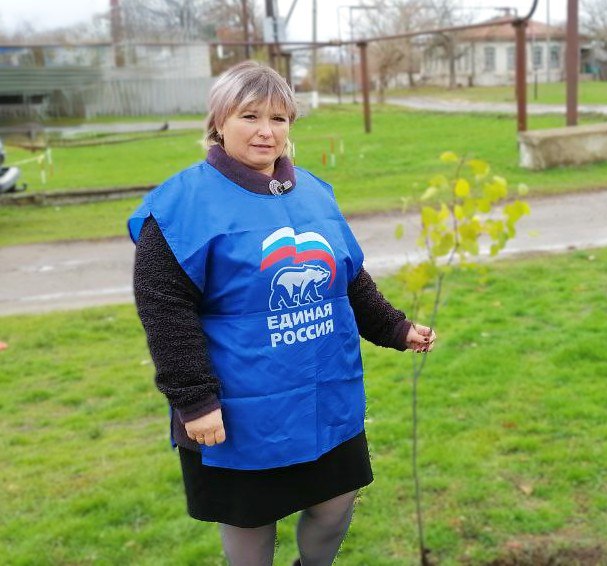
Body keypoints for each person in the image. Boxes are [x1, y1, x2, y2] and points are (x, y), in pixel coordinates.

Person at [129, 60, 436, 566]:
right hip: (239, 406)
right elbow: (165, 309)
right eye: (250, 116)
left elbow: (347, 276)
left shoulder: (314, 192)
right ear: (219, 121)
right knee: (252, 527)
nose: (266, 132)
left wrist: (395, 327)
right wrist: (195, 400)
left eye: (279, 118)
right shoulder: (182, 205)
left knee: (336, 506)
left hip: (323, 392)